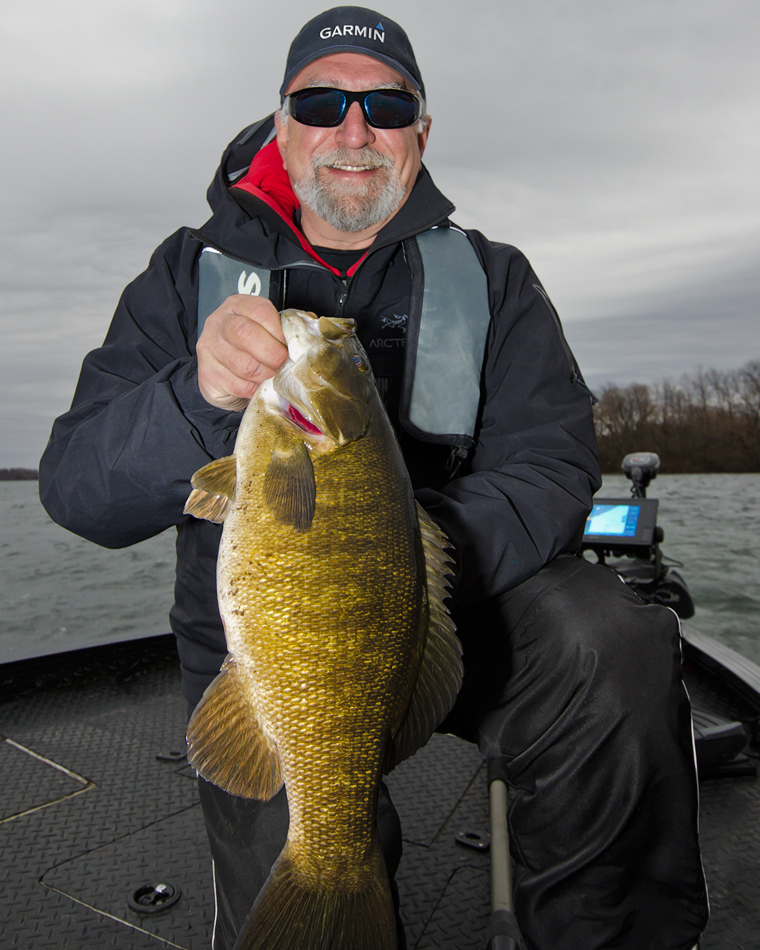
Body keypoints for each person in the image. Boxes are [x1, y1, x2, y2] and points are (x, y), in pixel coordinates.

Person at [39, 6, 708, 949]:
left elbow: (554, 467)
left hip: (464, 604)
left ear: (420, 134)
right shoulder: (182, 274)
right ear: (282, 125)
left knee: (612, 642)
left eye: (386, 108)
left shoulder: (495, 277)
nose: (354, 131)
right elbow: (76, 491)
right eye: (322, 102)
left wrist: (411, 561)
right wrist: (194, 393)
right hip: (265, 649)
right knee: (303, 881)